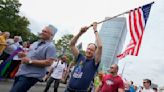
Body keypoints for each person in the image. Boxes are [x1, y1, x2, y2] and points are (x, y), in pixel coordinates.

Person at [9, 25, 57, 92]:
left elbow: (49, 62)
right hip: (21, 72)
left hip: (31, 76)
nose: (42, 32)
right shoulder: (35, 43)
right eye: (42, 31)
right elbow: (31, 55)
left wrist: (30, 61)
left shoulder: (51, 47)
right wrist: (24, 55)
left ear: (51, 35)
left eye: (45, 32)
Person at [65, 22, 102, 92]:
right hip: (68, 89)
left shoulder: (95, 62)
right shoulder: (80, 57)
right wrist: (80, 32)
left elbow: (100, 47)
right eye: (88, 49)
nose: (89, 51)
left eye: (92, 50)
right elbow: (72, 44)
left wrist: (95, 30)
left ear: (95, 53)